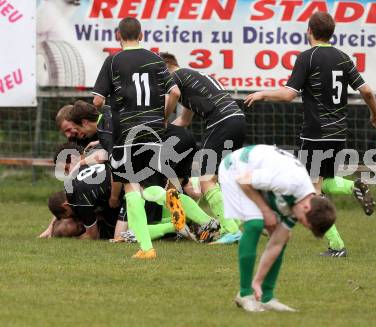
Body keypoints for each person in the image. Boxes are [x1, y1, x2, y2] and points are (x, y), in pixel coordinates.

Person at [244, 12, 376, 257]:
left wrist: (262, 93)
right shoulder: (343, 58)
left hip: (315, 135)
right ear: (331, 32)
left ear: (309, 30)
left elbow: (289, 94)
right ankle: (354, 187)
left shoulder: (307, 57)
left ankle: (337, 246)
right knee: (324, 181)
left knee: (311, 191)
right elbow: (366, 90)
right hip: (338, 134)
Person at [65, 100, 219, 242]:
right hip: (180, 136)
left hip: (166, 144)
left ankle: (190, 224)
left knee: (150, 192)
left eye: (78, 129)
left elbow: (118, 167)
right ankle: (199, 223)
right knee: (170, 193)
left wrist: (113, 197)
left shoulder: (105, 132)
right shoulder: (108, 112)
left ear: (85, 122)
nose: (79, 134)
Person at [91, 17, 181, 259]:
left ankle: (146, 248)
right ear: (141, 35)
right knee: (150, 185)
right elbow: (175, 92)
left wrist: (105, 115)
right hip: (153, 131)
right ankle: (170, 197)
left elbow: (98, 100)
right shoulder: (155, 58)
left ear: (118, 36)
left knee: (131, 188)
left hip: (126, 133)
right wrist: (164, 115)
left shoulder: (113, 61)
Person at [219, 144, 336, 312]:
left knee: (282, 237)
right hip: (234, 168)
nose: (300, 224)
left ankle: (266, 297)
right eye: (303, 222)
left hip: (252, 177)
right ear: (306, 208)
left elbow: (276, 243)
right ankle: (244, 294)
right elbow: (243, 180)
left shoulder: (303, 200)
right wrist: (265, 210)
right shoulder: (289, 182)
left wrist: (257, 281)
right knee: (255, 223)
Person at [160, 52, 245, 244]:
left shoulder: (175, 77)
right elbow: (184, 120)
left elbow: (173, 94)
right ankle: (242, 220)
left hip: (222, 122)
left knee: (206, 180)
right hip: (237, 120)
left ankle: (231, 230)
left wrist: (162, 121)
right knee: (222, 179)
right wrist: (164, 132)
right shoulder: (192, 79)